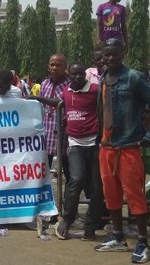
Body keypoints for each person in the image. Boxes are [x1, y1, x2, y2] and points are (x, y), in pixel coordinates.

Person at [93, 39, 150, 264]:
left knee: (135, 195)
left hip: (128, 148)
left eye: (114, 54)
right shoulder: (104, 78)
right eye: (106, 55)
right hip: (106, 148)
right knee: (111, 195)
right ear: (102, 56)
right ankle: (118, 236)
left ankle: (142, 242)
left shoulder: (133, 77)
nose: (110, 58)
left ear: (123, 53)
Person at [34, 63, 104, 241]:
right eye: (74, 75)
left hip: (95, 143)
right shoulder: (67, 91)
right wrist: (39, 99)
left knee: (96, 186)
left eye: (80, 74)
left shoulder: (96, 90)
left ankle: (91, 225)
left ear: (85, 75)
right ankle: (67, 219)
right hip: (75, 144)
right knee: (76, 179)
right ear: (69, 75)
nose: (77, 78)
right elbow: (58, 103)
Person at [28, 54, 68, 168]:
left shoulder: (70, 84)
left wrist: (38, 98)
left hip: (63, 133)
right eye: (52, 65)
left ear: (65, 67)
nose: (55, 68)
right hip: (47, 133)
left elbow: (61, 102)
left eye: (58, 65)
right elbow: (40, 107)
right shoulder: (45, 83)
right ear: (48, 67)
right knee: (44, 170)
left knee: (68, 170)